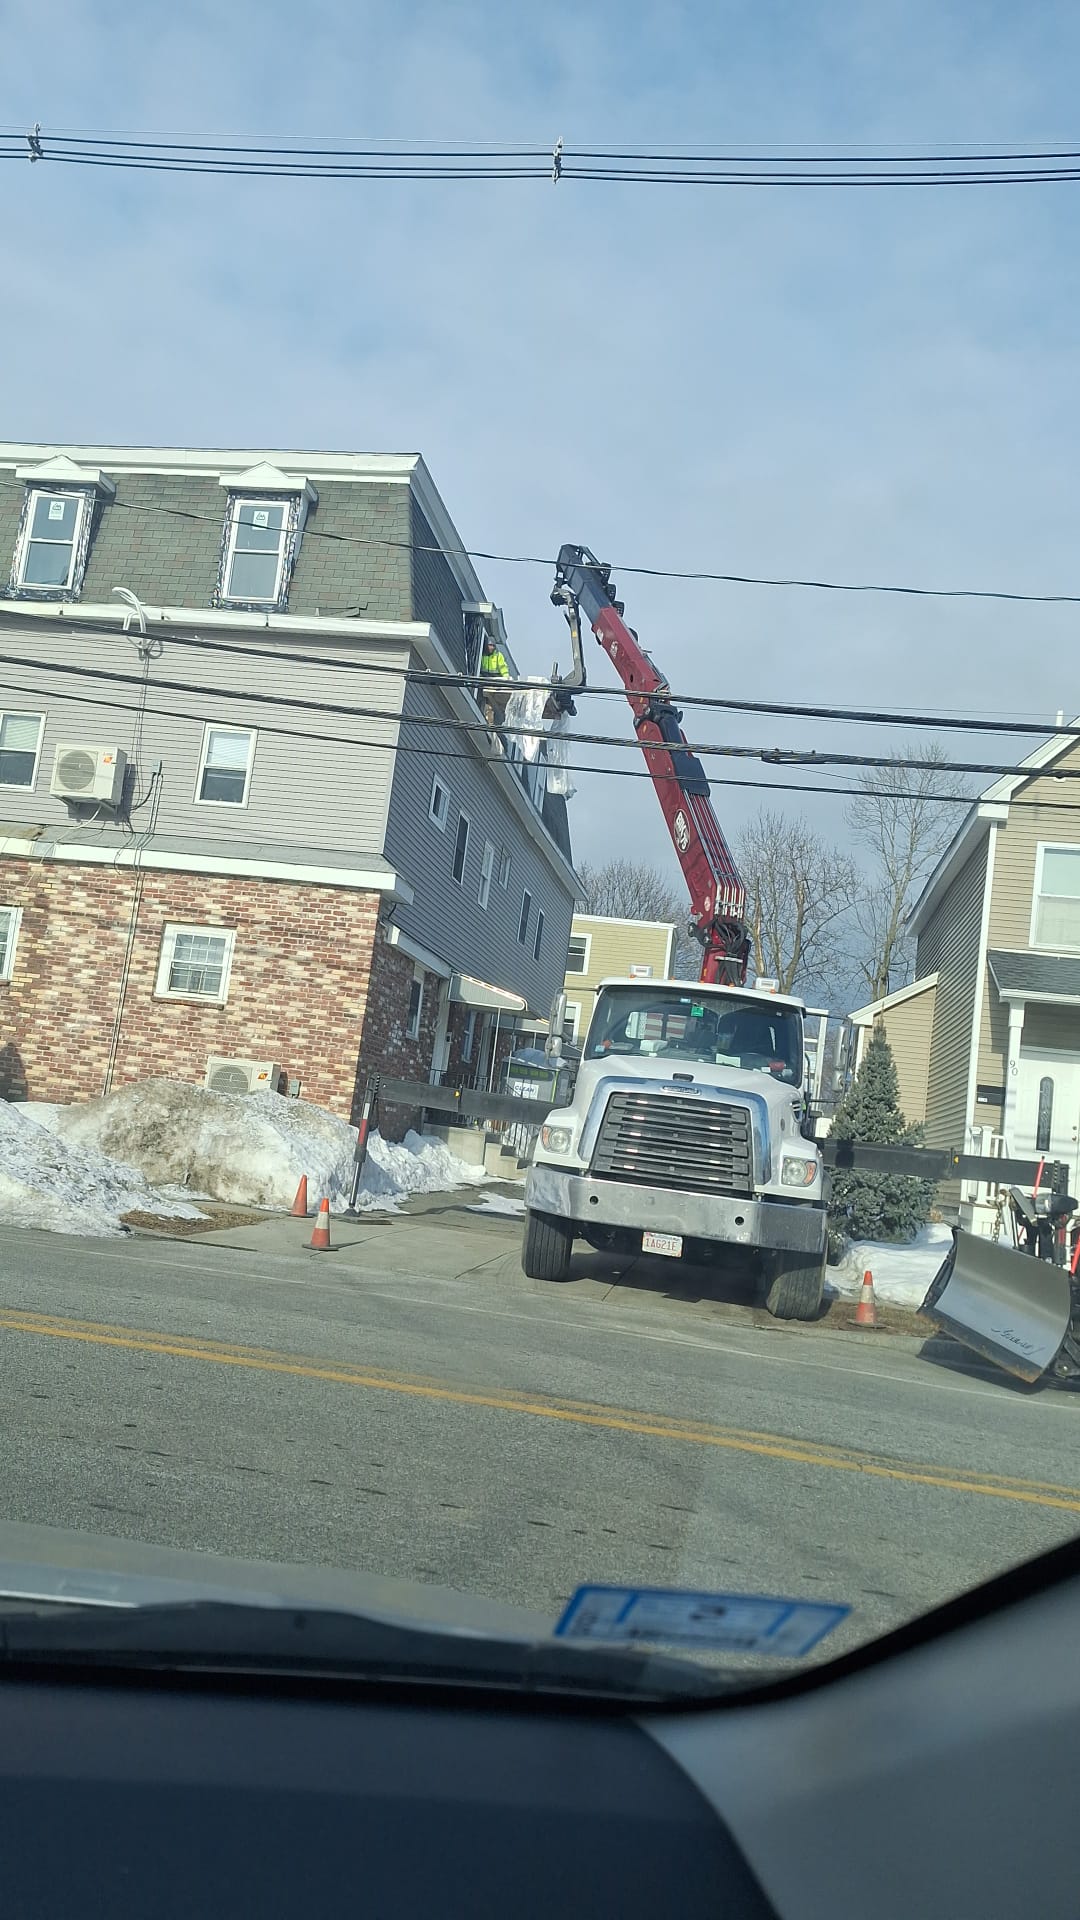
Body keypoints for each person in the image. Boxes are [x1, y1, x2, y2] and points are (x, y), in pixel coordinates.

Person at [478, 633, 510, 727]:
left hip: (495, 680)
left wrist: (506, 679)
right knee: (485, 701)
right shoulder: (482, 655)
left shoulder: (498, 656)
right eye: (489, 645)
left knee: (494, 701)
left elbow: (503, 668)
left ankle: (496, 720)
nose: (491, 648)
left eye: (493, 646)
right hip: (484, 679)